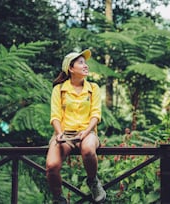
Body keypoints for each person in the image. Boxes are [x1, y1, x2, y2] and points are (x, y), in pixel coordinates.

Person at [46, 49, 106, 204]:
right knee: (51, 166)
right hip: (65, 135)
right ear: (70, 69)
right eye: (81, 63)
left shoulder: (93, 88)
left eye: (85, 63)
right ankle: (59, 198)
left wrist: (86, 132)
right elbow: (55, 115)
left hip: (88, 133)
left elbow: (96, 114)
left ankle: (93, 182)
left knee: (87, 150)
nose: (85, 65)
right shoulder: (59, 90)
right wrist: (59, 133)